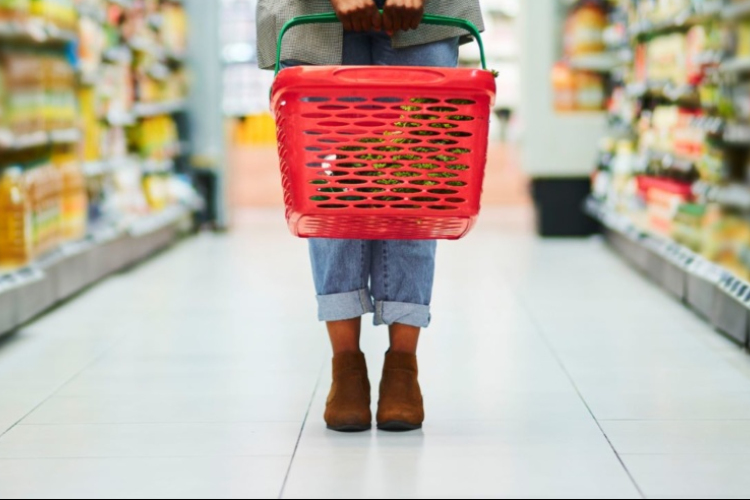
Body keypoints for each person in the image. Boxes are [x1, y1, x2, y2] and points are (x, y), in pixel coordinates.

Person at [256, 0, 483, 433]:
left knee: (417, 179)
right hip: (311, 10)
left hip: (428, 11)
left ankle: (403, 367)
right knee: (329, 185)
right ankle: (347, 367)